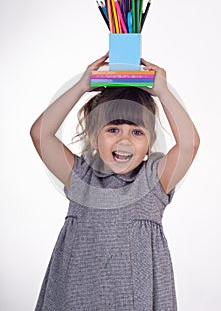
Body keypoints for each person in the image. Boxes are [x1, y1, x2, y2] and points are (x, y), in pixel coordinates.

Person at [30, 52, 200, 311]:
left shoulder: (152, 181)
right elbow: (40, 135)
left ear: (149, 142)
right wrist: (82, 85)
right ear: (94, 136)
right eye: (112, 129)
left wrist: (164, 93)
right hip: (76, 299)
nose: (124, 140)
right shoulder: (82, 179)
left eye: (136, 132)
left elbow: (189, 144)